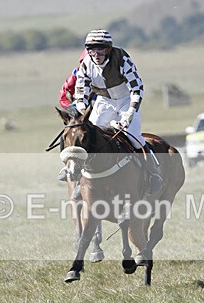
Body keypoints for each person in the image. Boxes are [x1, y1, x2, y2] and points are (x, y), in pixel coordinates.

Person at [70, 29, 163, 194]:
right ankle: (80, 181)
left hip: (126, 100)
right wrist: (83, 110)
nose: (96, 54)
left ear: (108, 49)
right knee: (90, 136)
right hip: (104, 102)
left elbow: (137, 88)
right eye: (91, 49)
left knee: (133, 137)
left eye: (100, 49)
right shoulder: (86, 64)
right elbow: (81, 91)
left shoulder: (122, 59)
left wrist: (131, 112)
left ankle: (153, 174)